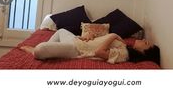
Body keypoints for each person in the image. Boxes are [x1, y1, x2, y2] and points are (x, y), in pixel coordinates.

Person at [19, 29, 160, 66]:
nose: (143, 40)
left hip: (77, 50)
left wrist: (113, 35)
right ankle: (51, 46)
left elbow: (99, 52)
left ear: (143, 52)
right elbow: (98, 42)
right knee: (61, 30)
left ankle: (34, 50)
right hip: (79, 42)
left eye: (146, 44)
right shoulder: (124, 45)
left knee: (39, 50)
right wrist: (88, 36)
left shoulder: (124, 54)